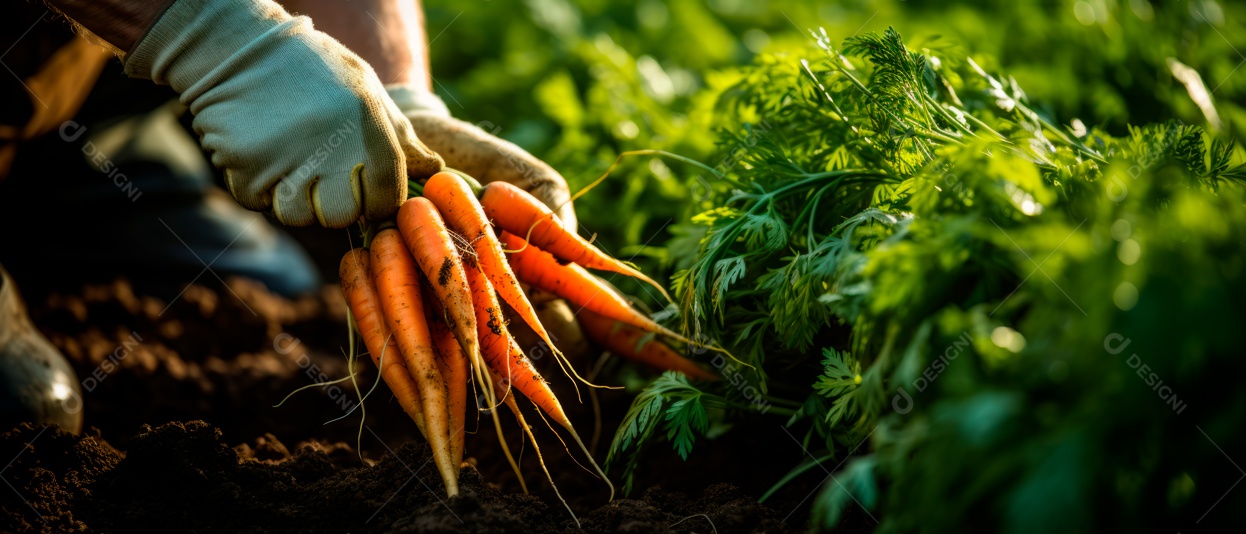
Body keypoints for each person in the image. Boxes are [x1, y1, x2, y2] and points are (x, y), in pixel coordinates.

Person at [0, 0, 584, 434]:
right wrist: (216, 42)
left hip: (85, 98)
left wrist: (396, 95)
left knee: (268, 291)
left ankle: (44, 195)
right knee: (20, 414)